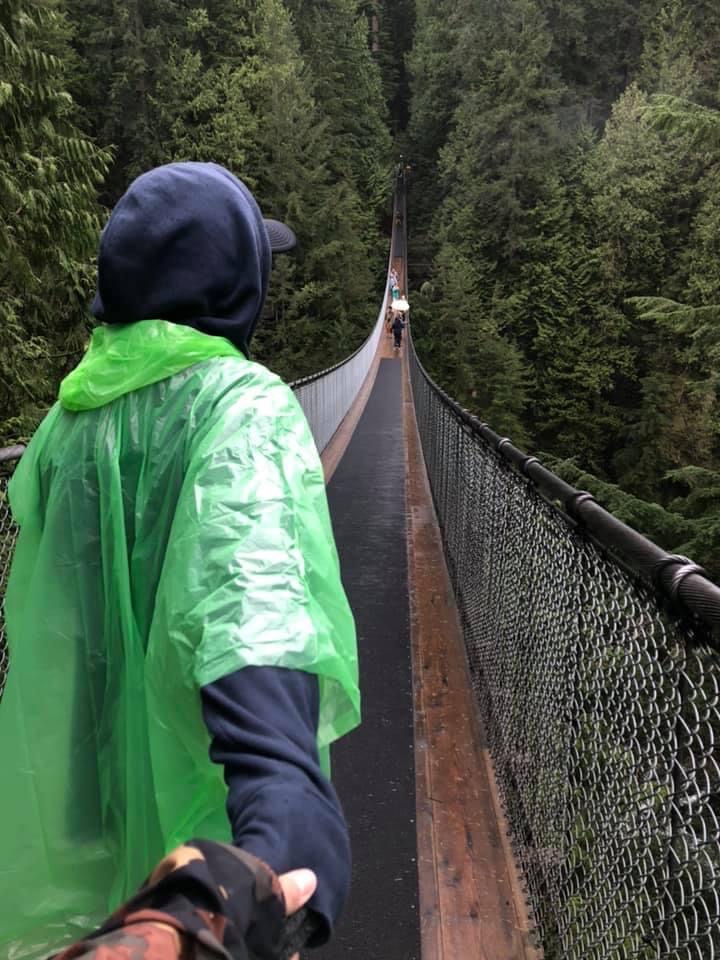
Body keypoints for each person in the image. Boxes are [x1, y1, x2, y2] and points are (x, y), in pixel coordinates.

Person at [0, 162, 360, 959]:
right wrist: (275, 838)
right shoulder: (244, 414)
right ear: (234, 288)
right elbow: (254, 606)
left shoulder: (69, 425)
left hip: (89, 838)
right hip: (203, 863)